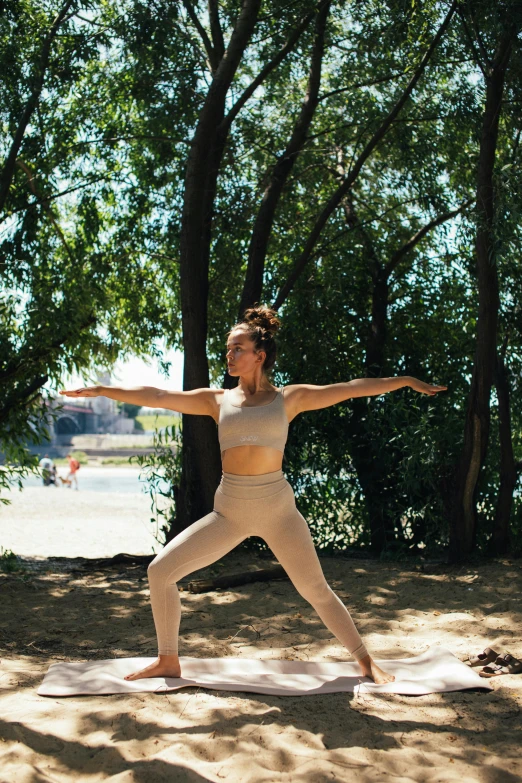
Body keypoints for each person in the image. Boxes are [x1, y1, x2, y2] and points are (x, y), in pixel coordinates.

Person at [60, 305, 447, 684]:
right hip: (229, 513)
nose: (229, 355)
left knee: (316, 590)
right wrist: (102, 390)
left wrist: (405, 381)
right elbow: (159, 396)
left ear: (259, 355)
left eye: (237, 349)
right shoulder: (216, 400)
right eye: (228, 349)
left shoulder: (288, 399)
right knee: (159, 572)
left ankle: (366, 662)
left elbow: (348, 390)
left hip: (278, 511)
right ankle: (167, 660)